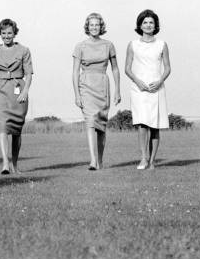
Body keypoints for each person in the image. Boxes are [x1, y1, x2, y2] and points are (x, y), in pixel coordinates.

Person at [72, 13, 121, 170]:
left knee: (101, 125)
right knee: (90, 122)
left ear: (101, 27)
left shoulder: (108, 45)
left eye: (97, 25)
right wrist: (77, 95)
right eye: (91, 25)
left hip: (102, 84)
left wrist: (118, 90)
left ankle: (100, 160)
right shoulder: (80, 46)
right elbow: (74, 72)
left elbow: (115, 68)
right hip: (85, 85)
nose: (94, 27)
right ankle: (92, 160)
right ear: (87, 26)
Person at [125, 10, 171, 170]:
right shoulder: (132, 44)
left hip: (157, 88)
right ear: (140, 25)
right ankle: (143, 158)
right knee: (142, 124)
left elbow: (167, 68)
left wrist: (160, 81)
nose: (148, 25)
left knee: (155, 125)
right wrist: (138, 82)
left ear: (155, 25)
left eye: (151, 22)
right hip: (139, 89)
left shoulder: (162, 44)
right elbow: (127, 68)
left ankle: (152, 161)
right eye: (145, 22)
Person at [0, 18, 33, 174]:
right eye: (3, 33)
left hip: (18, 92)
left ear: (14, 33)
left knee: (16, 130)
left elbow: (28, 74)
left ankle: (15, 165)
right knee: (2, 126)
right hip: (0, 92)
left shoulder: (24, 51)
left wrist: (25, 91)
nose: (7, 36)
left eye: (9, 33)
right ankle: (5, 163)